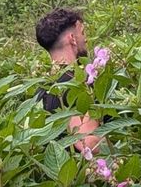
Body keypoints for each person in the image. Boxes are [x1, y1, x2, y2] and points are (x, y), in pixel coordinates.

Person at [34, 8, 101, 153]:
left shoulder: (40, 90)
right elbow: (89, 142)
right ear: (72, 39)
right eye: (82, 33)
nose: (86, 39)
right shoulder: (74, 83)